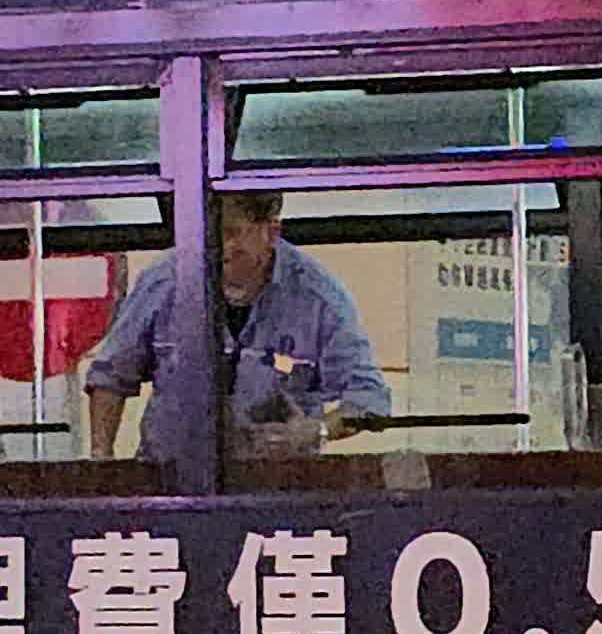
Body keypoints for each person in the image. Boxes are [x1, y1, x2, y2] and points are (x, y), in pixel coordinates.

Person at [81, 190, 390, 483]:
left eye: (231, 233)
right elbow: (110, 378)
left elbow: (369, 398)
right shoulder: (163, 280)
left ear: (271, 232)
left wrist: (316, 432)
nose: (218, 248)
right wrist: (102, 464)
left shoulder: (319, 298)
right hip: (170, 486)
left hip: (280, 493)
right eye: (207, 234)